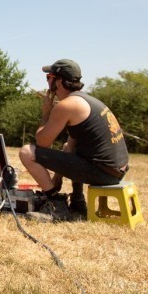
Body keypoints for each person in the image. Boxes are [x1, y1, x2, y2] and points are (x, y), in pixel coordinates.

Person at [19, 59, 129, 222]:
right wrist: (57, 179)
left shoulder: (66, 105)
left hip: (103, 172)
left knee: (26, 152)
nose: (47, 81)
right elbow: (70, 146)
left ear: (59, 81)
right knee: (68, 145)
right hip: (116, 170)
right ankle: (77, 202)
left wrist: (46, 113)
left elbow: (42, 143)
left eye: (49, 76)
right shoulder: (85, 101)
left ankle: (57, 206)